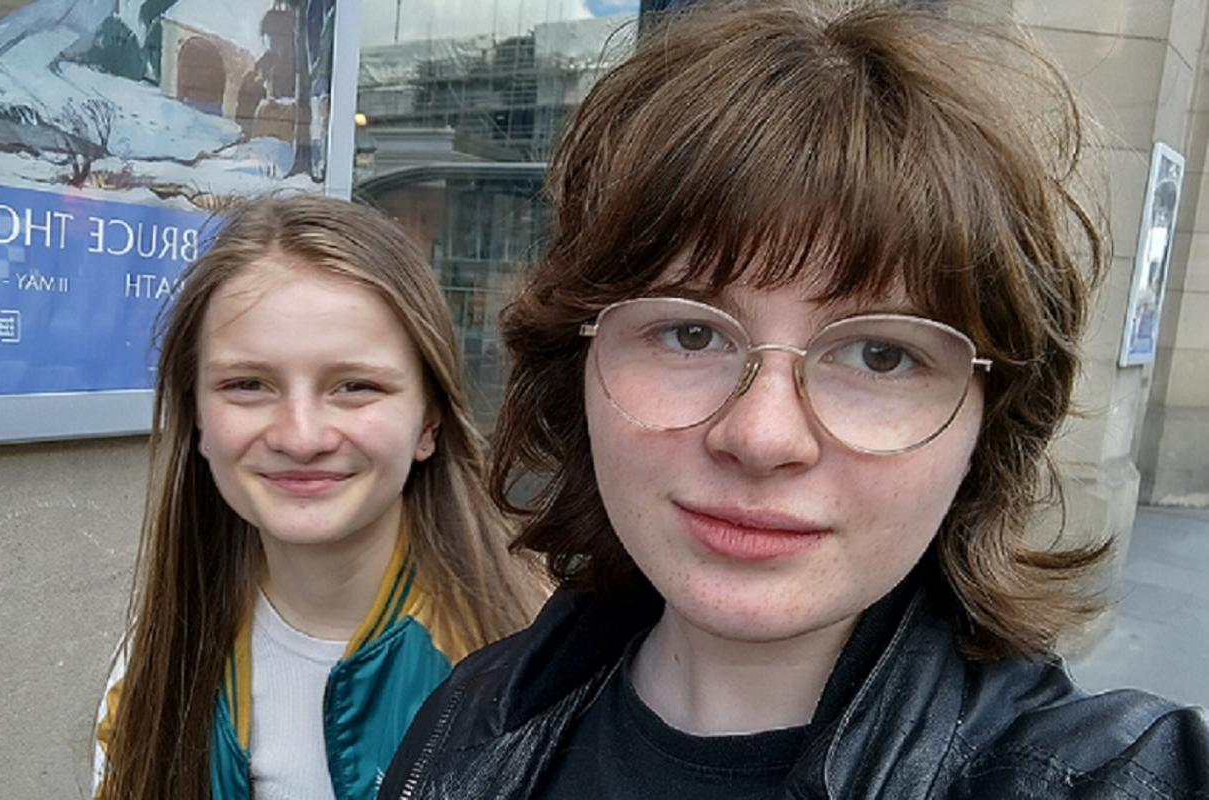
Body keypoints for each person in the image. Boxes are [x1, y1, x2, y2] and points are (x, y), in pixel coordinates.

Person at [379, 2, 1209, 798]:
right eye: (690, 335)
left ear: (987, 424)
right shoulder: (470, 718)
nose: (763, 434)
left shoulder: (1093, 774)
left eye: (881, 355)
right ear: (580, 371)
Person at [94, 195, 542, 800]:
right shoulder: (154, 660)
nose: (300, 437)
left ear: (429, 421)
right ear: (197, 417)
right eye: (248, 385)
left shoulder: (541, 664)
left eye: (355, 386)